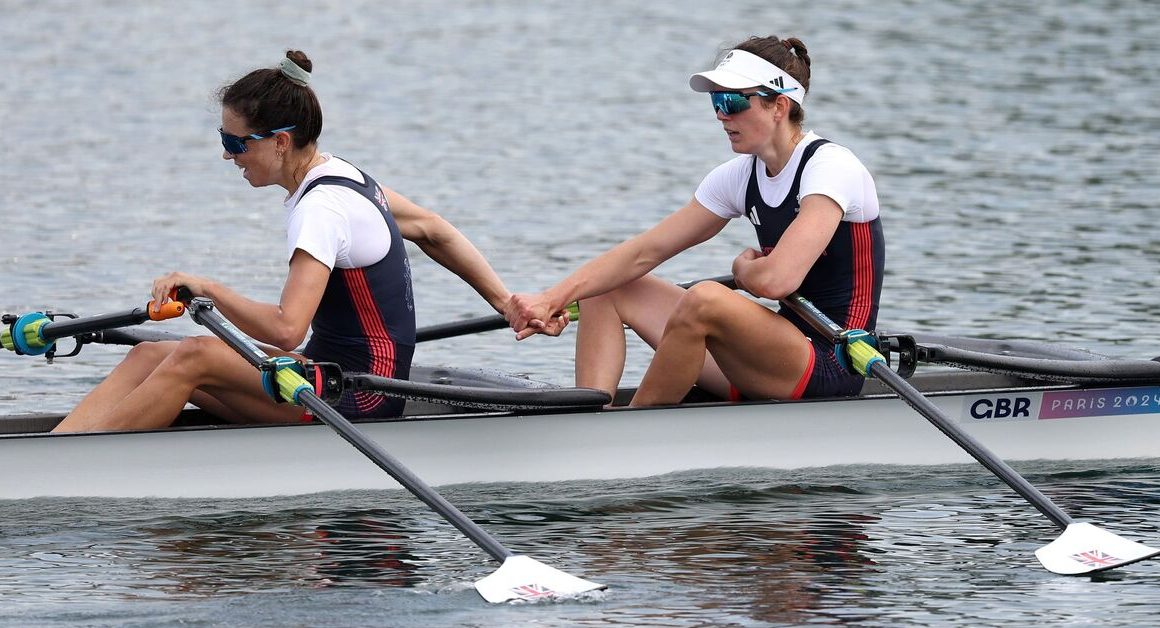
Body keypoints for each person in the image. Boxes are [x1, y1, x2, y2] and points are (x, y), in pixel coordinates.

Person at [53, 51, 513, 432]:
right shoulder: (341, 175)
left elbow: (286, 329)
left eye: (236, 144)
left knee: (195, 355)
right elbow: (435, 229)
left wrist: (210, 289)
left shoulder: (320, 209)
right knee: (150, 353)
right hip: (328, 372)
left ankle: (67, 476)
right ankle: (59, 449)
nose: (227, 154)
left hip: (361, 397)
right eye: (223, 139)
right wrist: (506, 302)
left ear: (280, 141)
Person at [504, 36, 885, 406]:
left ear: (779, 106)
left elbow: (775, 280)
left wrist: (742, 269)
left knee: (706, 297)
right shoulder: (739, 176)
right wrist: (552, 298)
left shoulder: (831, 168)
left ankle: (633, 428)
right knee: (607, 287)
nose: (721, 114)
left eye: (733, 100)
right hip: (770, 356)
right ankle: (589, 416)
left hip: (832, 362)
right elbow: (643, 252)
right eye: (716, 101)